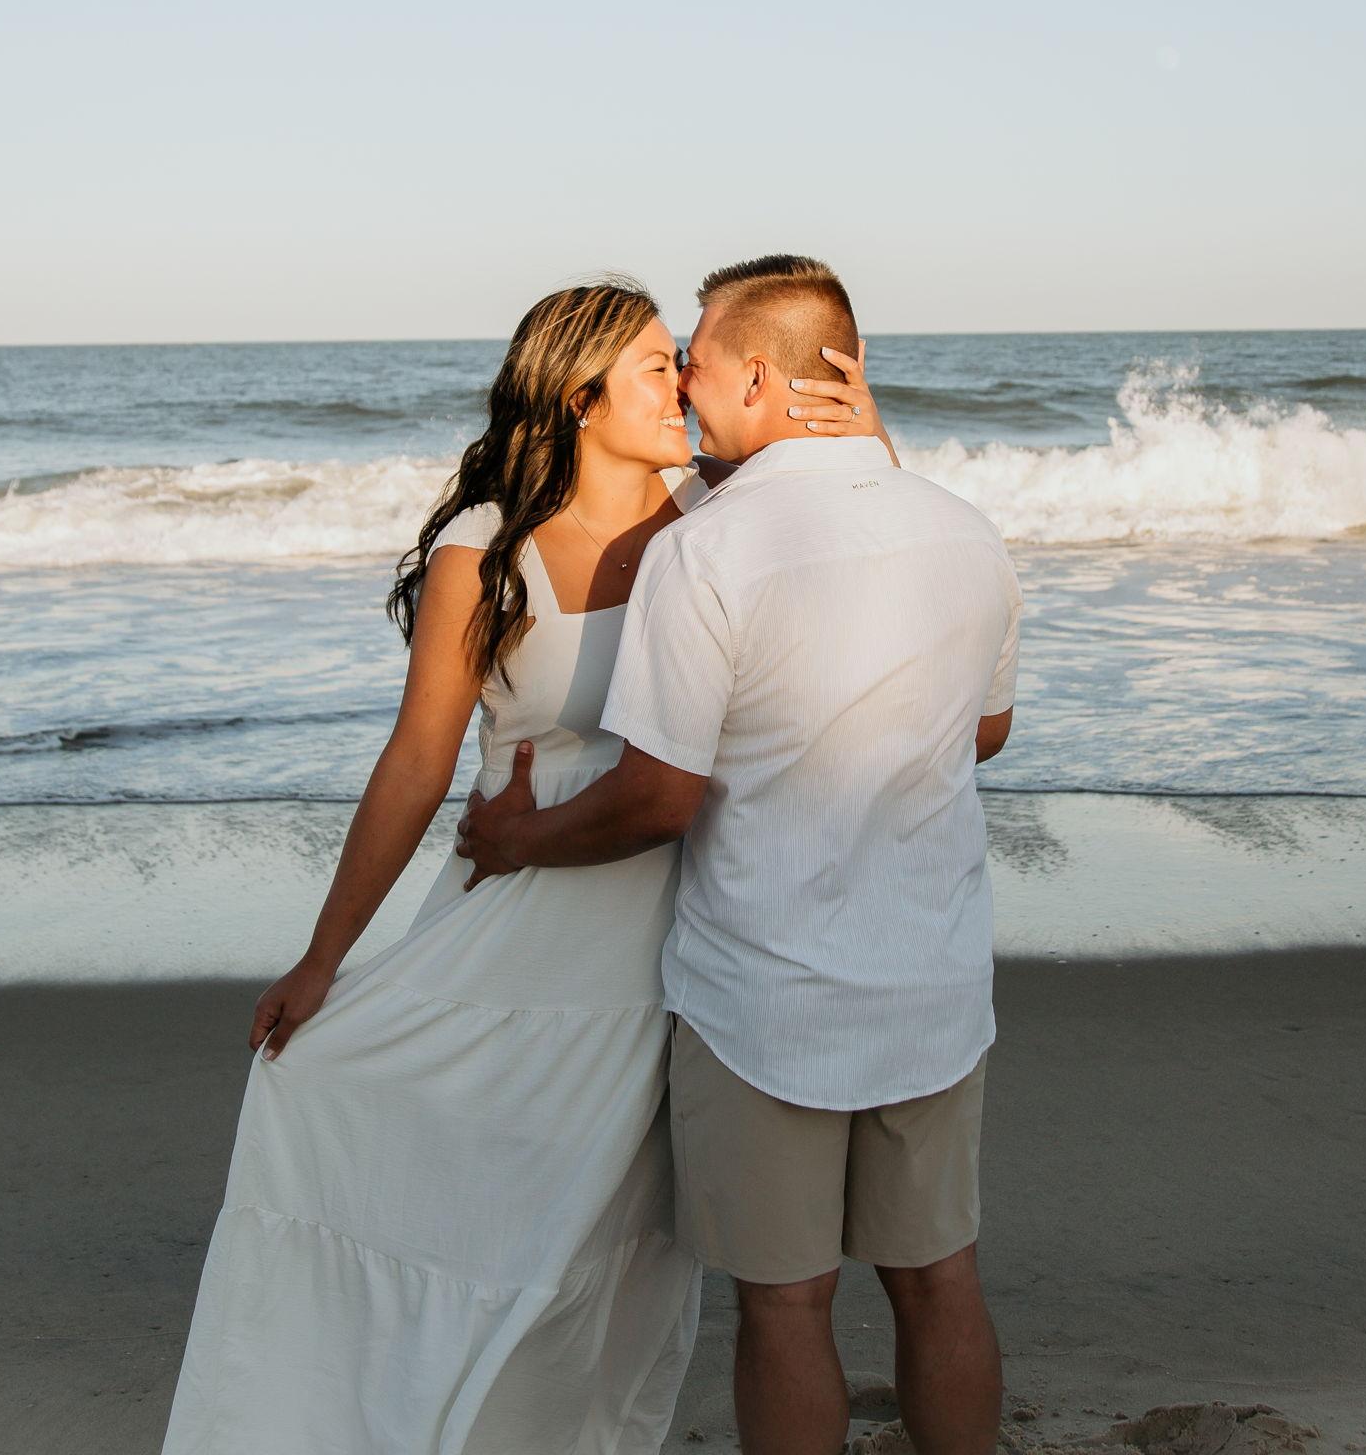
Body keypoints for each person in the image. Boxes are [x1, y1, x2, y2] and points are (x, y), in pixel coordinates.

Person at [159, 274, 890, 1455]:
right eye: (655, 365)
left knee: (618, 1249)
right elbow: (416, 762)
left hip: (677, 937)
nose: (683, 385)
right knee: (477, 1212)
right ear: (580, 396)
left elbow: (869, 542)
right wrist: (323, 955)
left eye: (681, 360)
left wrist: (869, 434)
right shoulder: (485, 550)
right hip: (517, 926)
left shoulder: (718, 513)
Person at [459, 254, 1023, 1455]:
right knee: (938, 1278)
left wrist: (515, 835)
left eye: (696, 360)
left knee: (786, 1306)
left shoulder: (706, 551)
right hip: (931, 983)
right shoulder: (962, 528)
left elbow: (657, 797)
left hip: (766, 1003)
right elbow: (983, 730)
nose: (682, 385)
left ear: (759, 377)